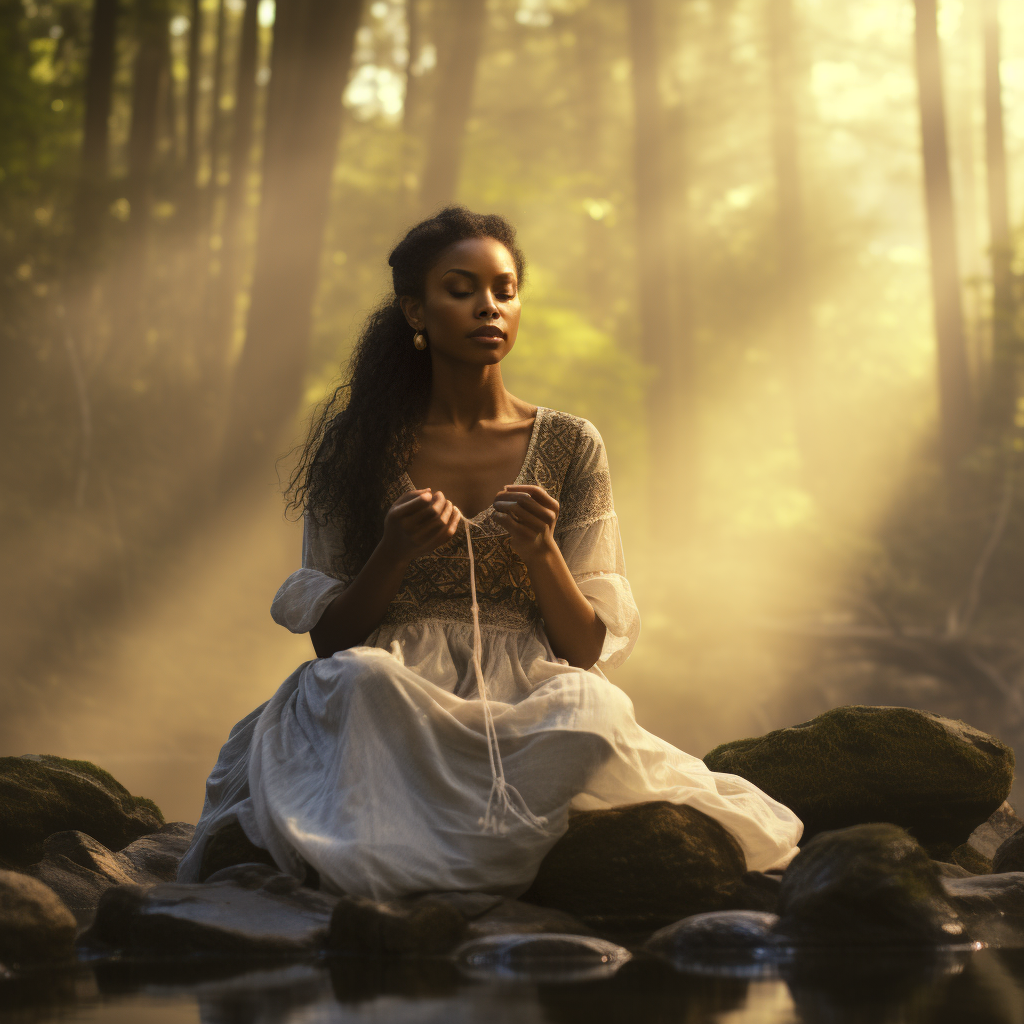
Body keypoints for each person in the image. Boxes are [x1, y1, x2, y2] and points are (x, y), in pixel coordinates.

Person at [177, 206, 802, 898]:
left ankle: (436, 860)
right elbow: (331, 641)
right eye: (461, 289)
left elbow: (586, 648)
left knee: (591, 706)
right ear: (415, 310)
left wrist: (542, 553)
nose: (489, 308)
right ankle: (464, 871)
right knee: (358, 681)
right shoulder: (359, 445)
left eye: (504, 290)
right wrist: (393, 552)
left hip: (527, 687)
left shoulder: (571, 442)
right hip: (394, 692)